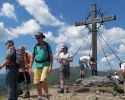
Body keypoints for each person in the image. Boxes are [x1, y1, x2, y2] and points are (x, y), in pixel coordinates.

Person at [30, 32, 53, 100]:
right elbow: (33, 56)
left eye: (39, 37)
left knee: (43, 80)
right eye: (36, 38)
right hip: (37, 65)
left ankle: (46, 94)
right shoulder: (35, 46)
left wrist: (51, 66)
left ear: (42, 37)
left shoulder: (47, 45)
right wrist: (30, 66)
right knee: (37, 82)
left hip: (45, 64)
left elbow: (51, 56)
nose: (37, 39)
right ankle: (39, 96)